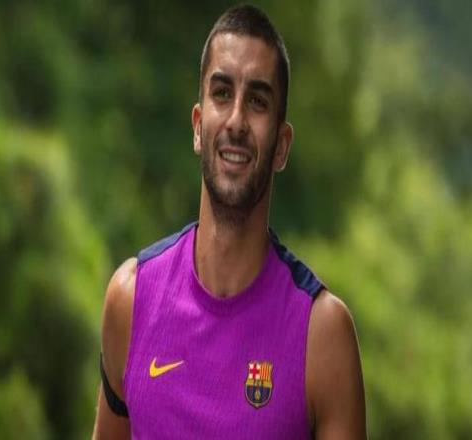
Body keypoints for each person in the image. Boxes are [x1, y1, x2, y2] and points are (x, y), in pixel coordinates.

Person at [92, 4, 366, 439]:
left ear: (282, 145)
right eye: (222, 93)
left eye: (257, 101)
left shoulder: (323, 335)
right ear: (198, 125)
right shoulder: (131, 298)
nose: (236, 120)